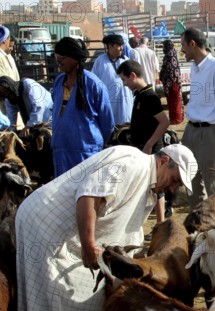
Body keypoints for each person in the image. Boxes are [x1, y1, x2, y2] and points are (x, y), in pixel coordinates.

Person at [9, 143, 197, 311]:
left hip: (65, 233)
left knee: (76, 306)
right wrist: (88, 245)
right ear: (164, 161)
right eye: (175, 180)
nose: (174, 188)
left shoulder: (148, 183)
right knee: (51, 302)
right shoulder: (131, 162)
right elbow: (89, 196)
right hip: (46, 229)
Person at [180, 27, 215, 208]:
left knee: (214, 185)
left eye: (183, 45)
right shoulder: (194, 68)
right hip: (190, 132)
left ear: (193, 44)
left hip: (208, 134)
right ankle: (199, 229)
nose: (182, 50)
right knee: (192, 184)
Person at [118, 59, 172, 222]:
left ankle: (161, 223)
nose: (124, 83)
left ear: (133, 75)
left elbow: (165, 122)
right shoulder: (140, 95)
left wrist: (149, 144)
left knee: (157, 186)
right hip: (142, 148)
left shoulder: (149, 97)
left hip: (151, 149)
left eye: (124, 79)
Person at [51, 37, 114, 176]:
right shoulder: (58, 82)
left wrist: (90, 143)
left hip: (85, 153)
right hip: (61, 152)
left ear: (75, 58)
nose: (58, 61)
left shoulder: (94, 85)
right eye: (57, 56)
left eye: (62, 57)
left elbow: (107, 123)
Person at [91, 34, 133, 125]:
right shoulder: (100, 61)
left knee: (125, 128)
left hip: (125, 102)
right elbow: (93, 82)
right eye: (118, 46)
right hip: (108, 102)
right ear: (110, 46)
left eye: (122, 45)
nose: (121, 48)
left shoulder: (126, 61)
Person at [159, 39, 184, 125]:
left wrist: (162, 76)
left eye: (164, 46)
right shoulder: (174, 54)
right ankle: (177, 118)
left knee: (173, 102)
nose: (163, 48)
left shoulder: (168, 56)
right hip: (176, 82)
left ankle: (175, 119)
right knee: (176, 101)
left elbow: (167, 71)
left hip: (171, 83)